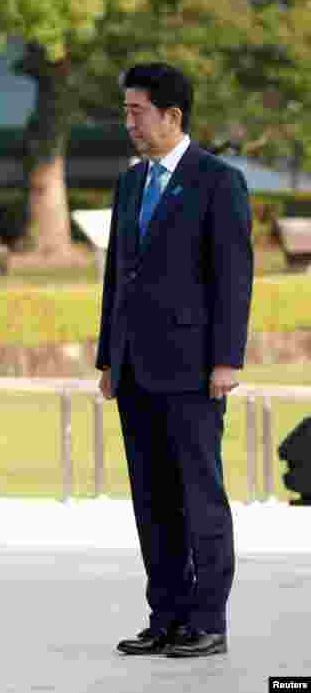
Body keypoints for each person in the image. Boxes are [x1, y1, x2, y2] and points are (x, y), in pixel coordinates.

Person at [96, 62, 253, 658]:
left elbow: (234, 278)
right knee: (151, 499)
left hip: (193, 371)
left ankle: (207, 619)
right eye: (126, 110)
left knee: (198, 496)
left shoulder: (219, 181)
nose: (128, 122)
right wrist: (108, 356)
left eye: (137, 111)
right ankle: (166, 616)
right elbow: (118, 278)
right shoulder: (130, 183)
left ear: (172, 116)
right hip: (134, 370)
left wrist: (226, 360)